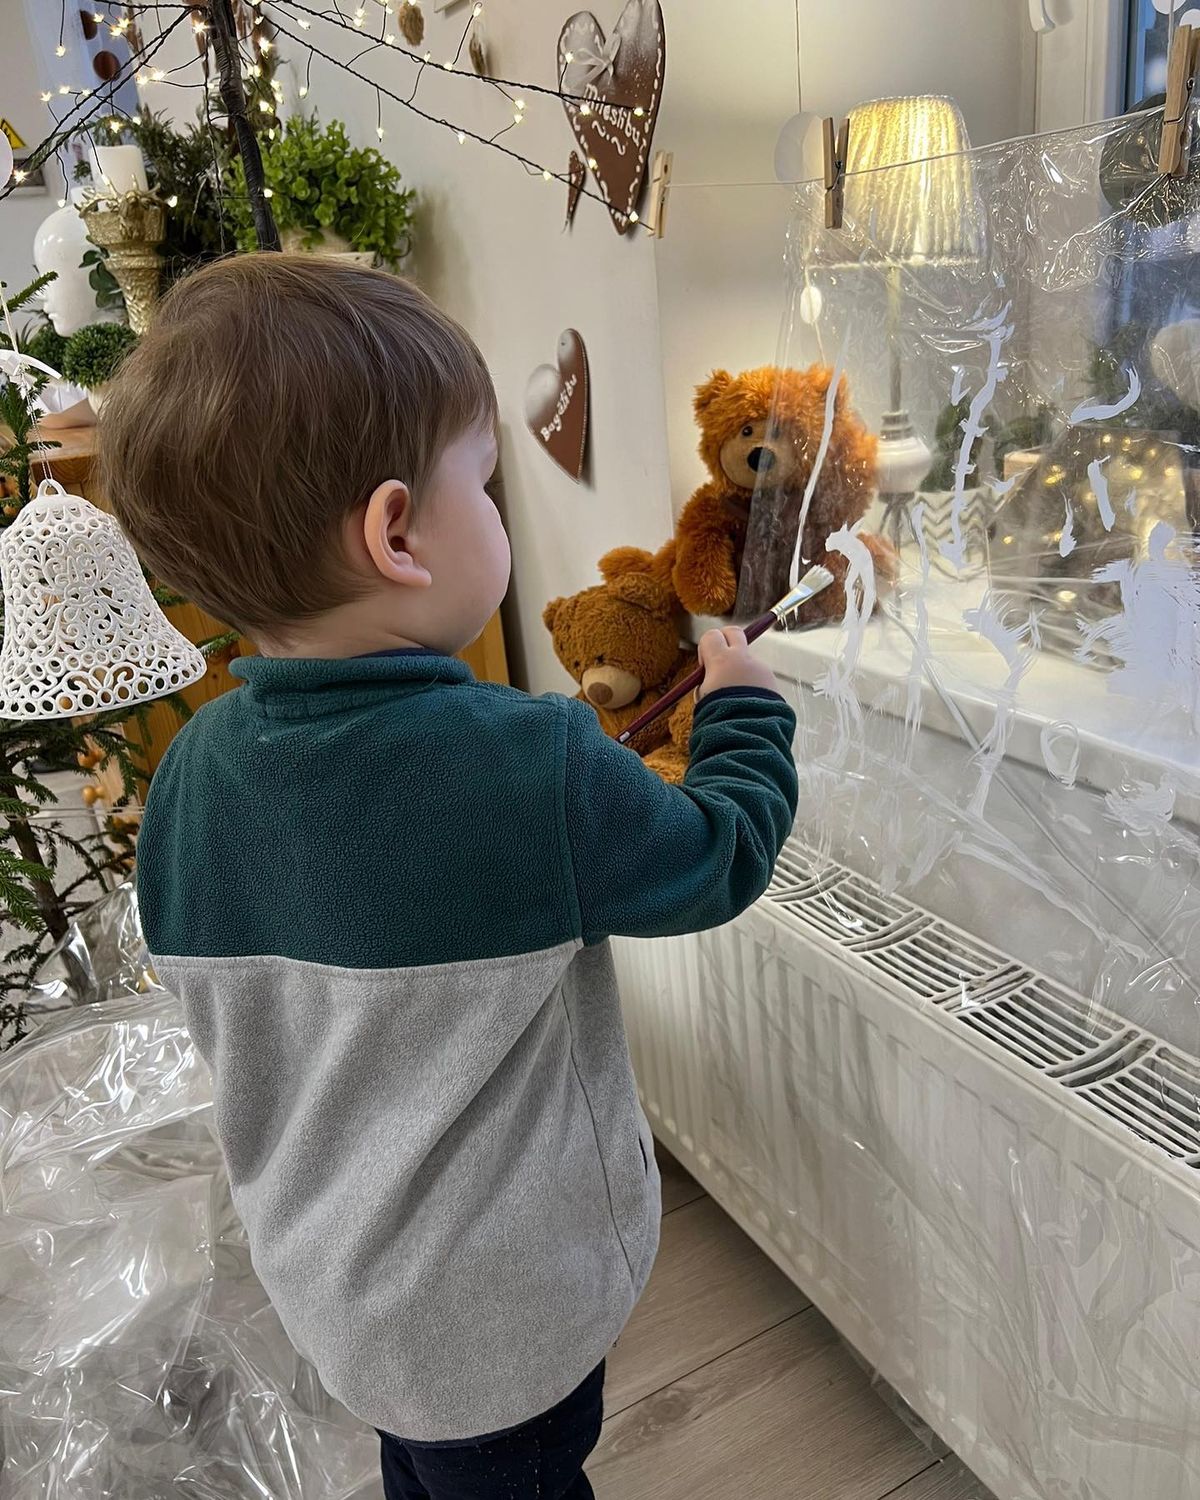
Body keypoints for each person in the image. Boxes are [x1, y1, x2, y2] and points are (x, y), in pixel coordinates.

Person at [100, 254, 798, 1500]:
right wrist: (743, 709)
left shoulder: (192, 773)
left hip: (336, 1286)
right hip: (501, 1318)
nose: (498, 508)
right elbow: (718, 855)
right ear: (396, 533)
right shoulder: (528, 761)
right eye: (483, 480)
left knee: (425, 1465)